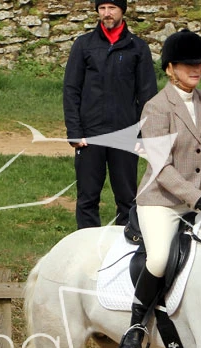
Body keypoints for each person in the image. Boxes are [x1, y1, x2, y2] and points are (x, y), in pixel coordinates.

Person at [117, 29, 201, 348]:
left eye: (200, 63)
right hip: (161, 201)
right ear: (170, 68)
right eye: (189, 64)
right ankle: (136, 326)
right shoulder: (156, 107)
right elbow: (161, 167)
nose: (197, 69)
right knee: (159, 258)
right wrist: (197, 198)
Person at [63, 0, 158, 229]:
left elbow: (147, 96)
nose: (107, 13)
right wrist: (74, 131)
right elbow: (71, 90)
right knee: (87, 198)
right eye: (102, 8)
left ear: (122, 10)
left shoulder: (138, 47)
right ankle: (87, 245)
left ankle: (125, 245)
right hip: (90, 134)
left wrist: (143, 136)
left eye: (112, 8)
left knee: (127, 198)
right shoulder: (83, 45)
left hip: (125, 135)